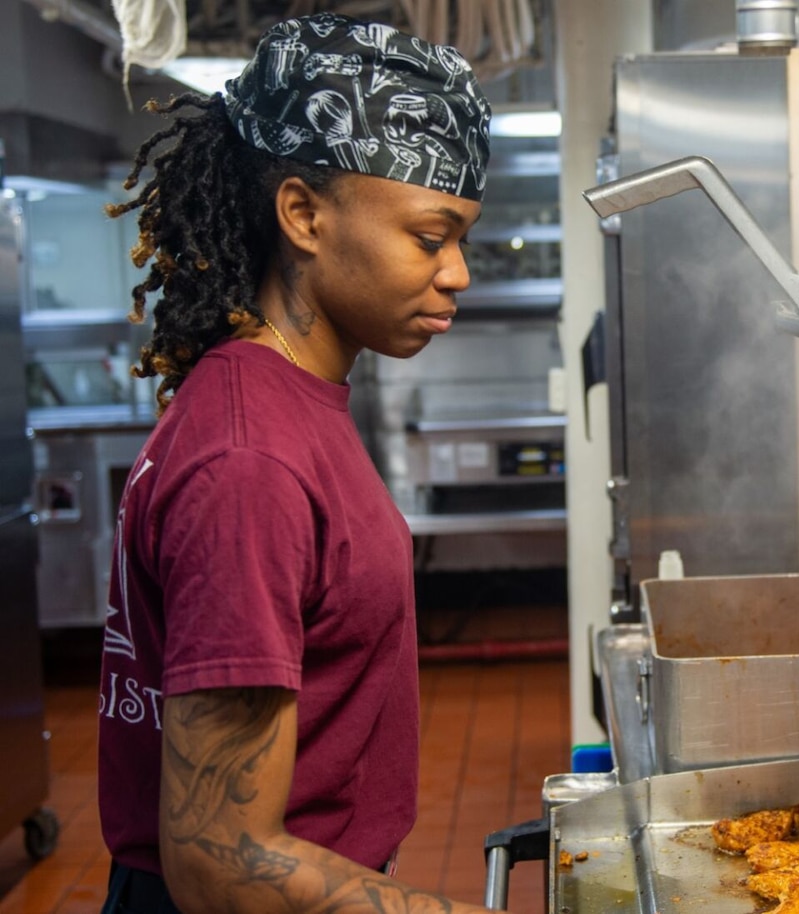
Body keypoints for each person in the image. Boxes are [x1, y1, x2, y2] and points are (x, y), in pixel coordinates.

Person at [97, 13, 493, 914]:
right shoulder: (251, 459)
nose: (458, 272)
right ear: (303, 215)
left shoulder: (283, 399)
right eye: (430, 237)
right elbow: (219, 857)